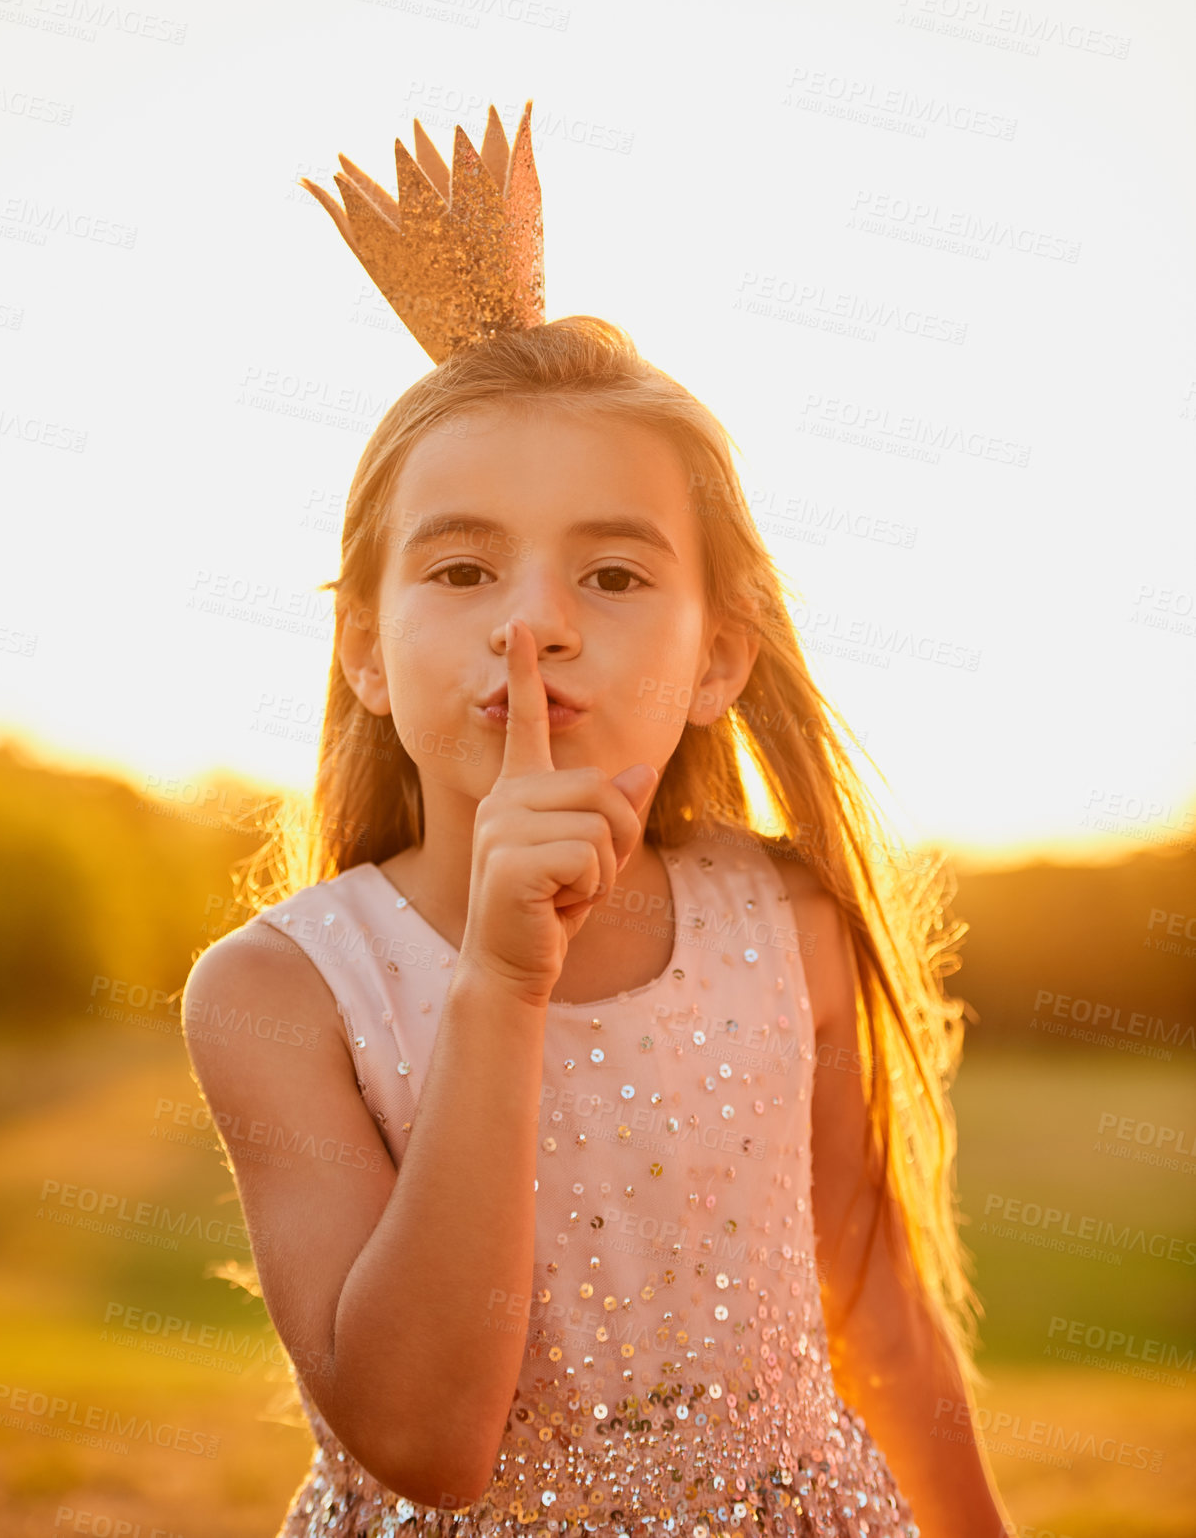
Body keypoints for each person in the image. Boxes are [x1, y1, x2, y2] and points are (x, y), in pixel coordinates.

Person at [182, 103, 1014, 1538]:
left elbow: (878, 1322)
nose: (534, 627)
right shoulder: (276, 993)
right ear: (363, 652)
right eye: (459, 570)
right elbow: (423, 1442)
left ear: (717, 656)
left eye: (613, 577)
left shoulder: (783, 925)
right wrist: (502, 986)